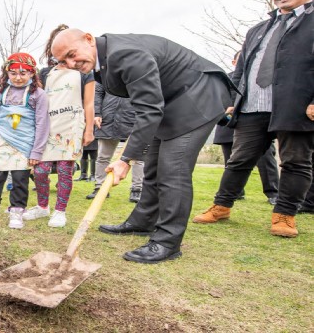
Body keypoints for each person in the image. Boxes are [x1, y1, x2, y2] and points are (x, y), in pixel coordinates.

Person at [51, 29, 235, 263]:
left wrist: (125, 159)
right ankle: (143, 221)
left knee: (173, 170)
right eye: (63, 61)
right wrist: (129, 155)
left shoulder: (125, 54)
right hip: (173, 102)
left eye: (71, 54)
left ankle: (167, 242)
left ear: (88, 39)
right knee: (154, 167)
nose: (71, 63)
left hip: (198, 97)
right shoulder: (104, 60)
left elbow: (148, 110)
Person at [193, 0, 313, 238]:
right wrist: (232, 101)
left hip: (296, 106)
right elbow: (242, 70)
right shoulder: (258, 29)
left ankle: (284, 215)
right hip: (252, 107)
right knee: (238, 160)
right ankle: (222, 206)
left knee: (295, 162)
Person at [23, 24, 95, 228]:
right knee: (40, 170)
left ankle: (60, 211)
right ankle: (42, 206)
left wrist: (89, 129)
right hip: (47, 128)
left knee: (65, 171)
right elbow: (37, 100)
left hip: (71, 127)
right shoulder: (45, 73)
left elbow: (89, 102)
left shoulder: (84, 71)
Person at [0, 52, 48, 229]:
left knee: (20, 177)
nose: (18, 78)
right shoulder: (0, 93)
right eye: (13, 73)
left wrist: (36, 151)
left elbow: (42, 123)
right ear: (6, 73)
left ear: (32, 73)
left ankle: (17, 210)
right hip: (1, 136)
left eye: (23, 73)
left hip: (25, 141)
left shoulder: (39, 94)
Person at [211, 51, 279, 204]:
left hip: (257, 124)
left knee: (266, 159)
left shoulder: (264, 77)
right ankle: (235, 193)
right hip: (229, 124)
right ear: (234, 62)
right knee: (231, 161)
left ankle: (273, 193)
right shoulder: (224, 79)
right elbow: (216, 99)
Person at [87, 83, 145, 203]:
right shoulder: (107, 69)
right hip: (109, 119)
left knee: (137, 158)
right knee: (103, 156)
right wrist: (97, 113)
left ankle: (137, 189)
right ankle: (100, 187)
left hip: (133, 118)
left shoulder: (141, 69)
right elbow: (98, 91)